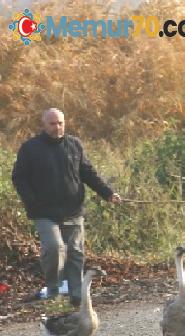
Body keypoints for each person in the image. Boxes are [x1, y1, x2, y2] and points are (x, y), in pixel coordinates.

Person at [12, 108, 121, 306]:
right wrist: (32, 201)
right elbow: (18, 178)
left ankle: (76, 294)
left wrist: (108, 193)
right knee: (54, 248)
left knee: (76, 252)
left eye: (60, 123)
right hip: (44, 212)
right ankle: (53, 289)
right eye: (52, 123)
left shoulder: (75, 145)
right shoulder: (30, 148)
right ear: (43, 125)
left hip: (73, 209)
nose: (57, 127)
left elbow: (88, 172)